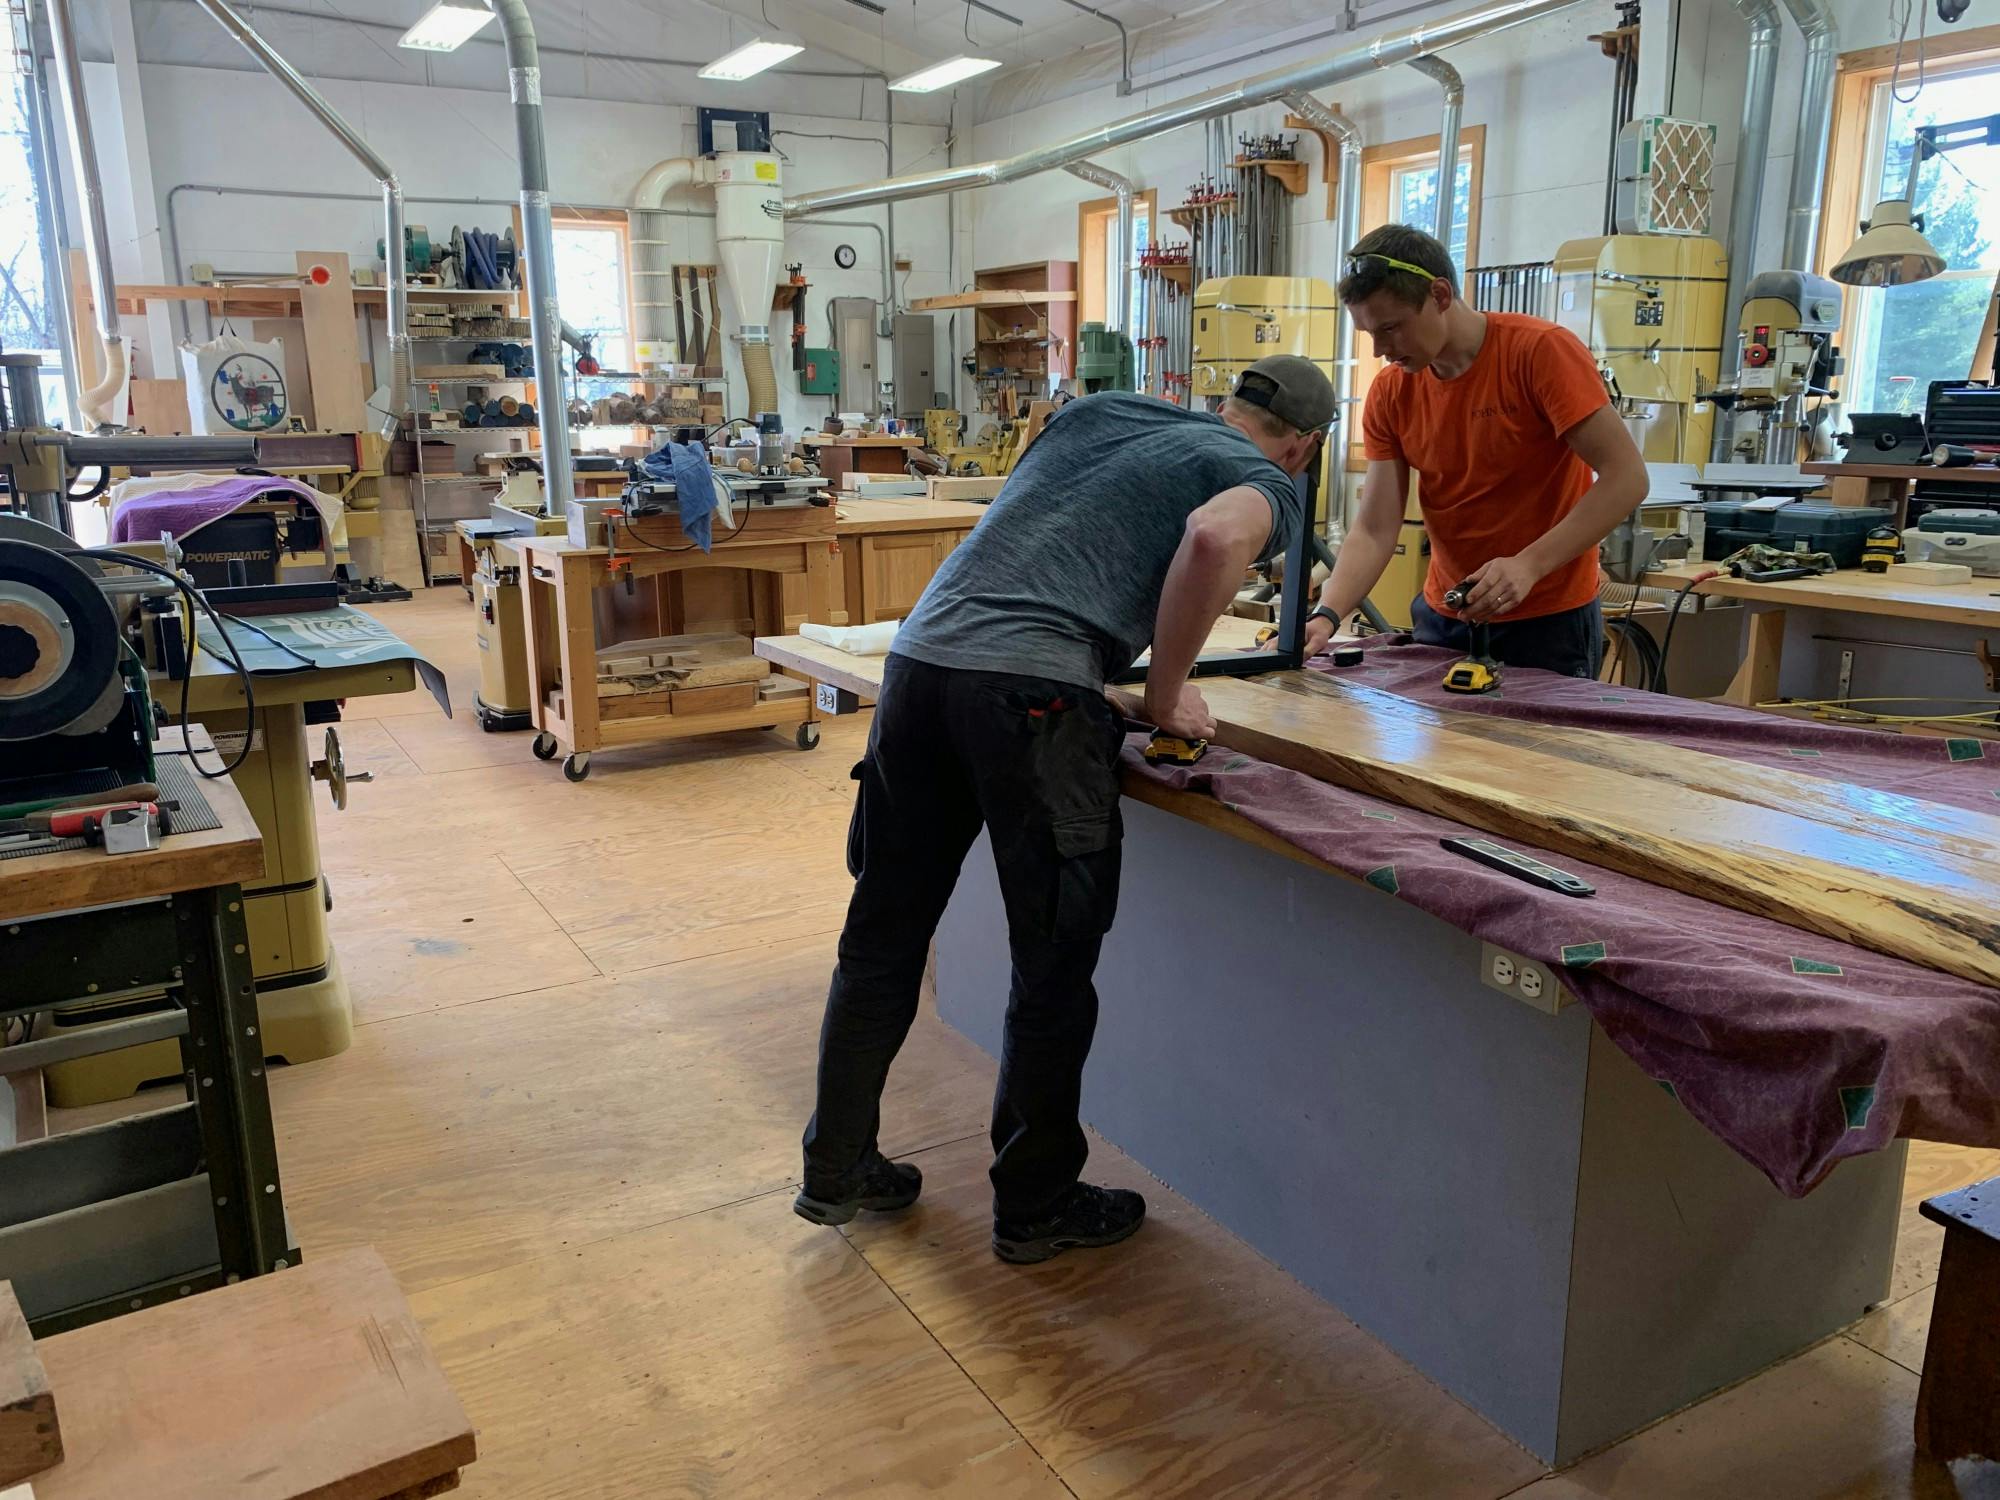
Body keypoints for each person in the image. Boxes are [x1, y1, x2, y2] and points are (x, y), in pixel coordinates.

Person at [795, 357, 1335, 1264]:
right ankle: (1037, 1202)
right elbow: (1211, 539)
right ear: (1306, 446)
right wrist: (1164, 694)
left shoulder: (1104, 413)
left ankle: (836, 1167)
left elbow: (1048, 540)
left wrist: (1087, 669)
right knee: (1051, 965)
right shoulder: (1267, 481)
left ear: (1223, 406)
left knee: (882, 937)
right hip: (1031, 704)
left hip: (924, 668)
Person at [1301, 224, 1649, 677]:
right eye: (1368, 332)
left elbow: (1627, 478)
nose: (1380, 350)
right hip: (1446, 616)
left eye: (1390, 327)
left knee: (1538, 750)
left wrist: (1528, 565)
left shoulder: (1540, 353)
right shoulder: (1391, 392)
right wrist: (1327, 615)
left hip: (1547, 620)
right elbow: (1374, 528)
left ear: (1440, 296)